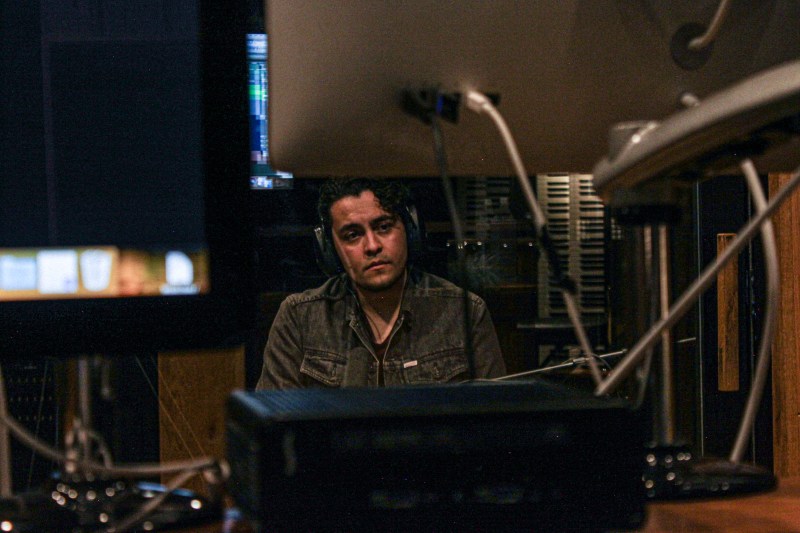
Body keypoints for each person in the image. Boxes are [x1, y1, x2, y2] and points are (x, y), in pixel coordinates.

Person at [256, 178, 505, 389]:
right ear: (330, 250)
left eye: (384, 227)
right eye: (352, 235)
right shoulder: (299, 318)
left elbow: (494, 421)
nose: (372, 246)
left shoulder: (464, 312)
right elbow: (274, 424)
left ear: (410, 231)